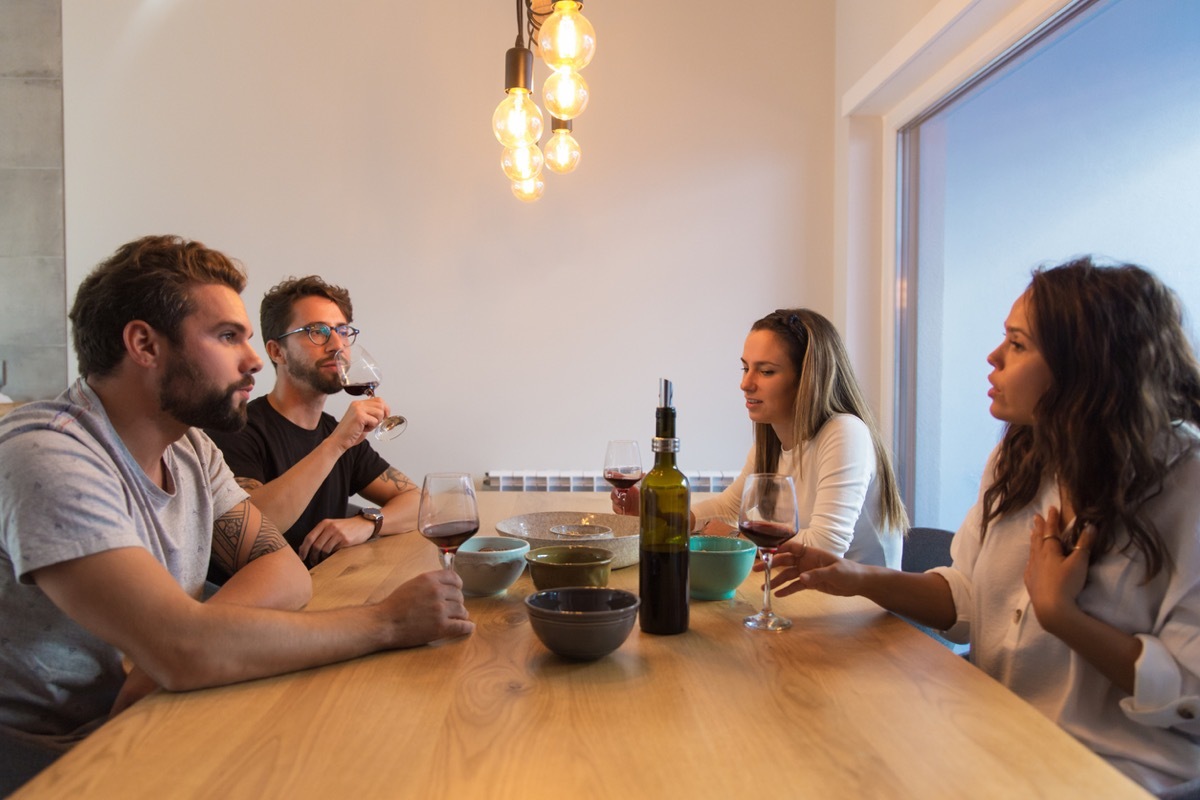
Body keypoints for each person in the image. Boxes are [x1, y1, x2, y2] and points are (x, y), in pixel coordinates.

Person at [0, 236, 472, 792]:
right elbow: (182, 647)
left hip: (150, 709)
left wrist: (173, 655)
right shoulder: (48, 453)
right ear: (144, 345)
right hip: (52, 758)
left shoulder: (190, 449)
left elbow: (284, 572)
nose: (252, 360)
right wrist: (386, 622)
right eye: (227, 337)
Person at [771, 258, 1200, 793]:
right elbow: (969, 602)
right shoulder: (1016, 458)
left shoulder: (1186, 486)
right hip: (999, 742)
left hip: (1117, 775)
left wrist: (1061, 615)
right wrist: (855, 577)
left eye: (1018, 345)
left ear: (1088, 367)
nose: (993, 357)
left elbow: (1191, 697)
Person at [613, 308, 907, 568]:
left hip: (861, 613)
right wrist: (662, 515)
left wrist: (733, 537)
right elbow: (729, 509)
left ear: (808, 378)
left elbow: (825, 547)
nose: (745, 384)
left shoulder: (845, 432)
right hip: (809, 597)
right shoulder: (770, 439)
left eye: (766, 371)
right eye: (745, 367)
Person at [206, 276, 418, 569]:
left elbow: (417, 502)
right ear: (276, 351)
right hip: (257, 607)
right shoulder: (236, 429)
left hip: (326, 592)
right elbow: (248, 533)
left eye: (342, 331)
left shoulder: (336, 431)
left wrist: (367, 523)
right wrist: (335, 446)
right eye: (316, 331)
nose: (336, 345)